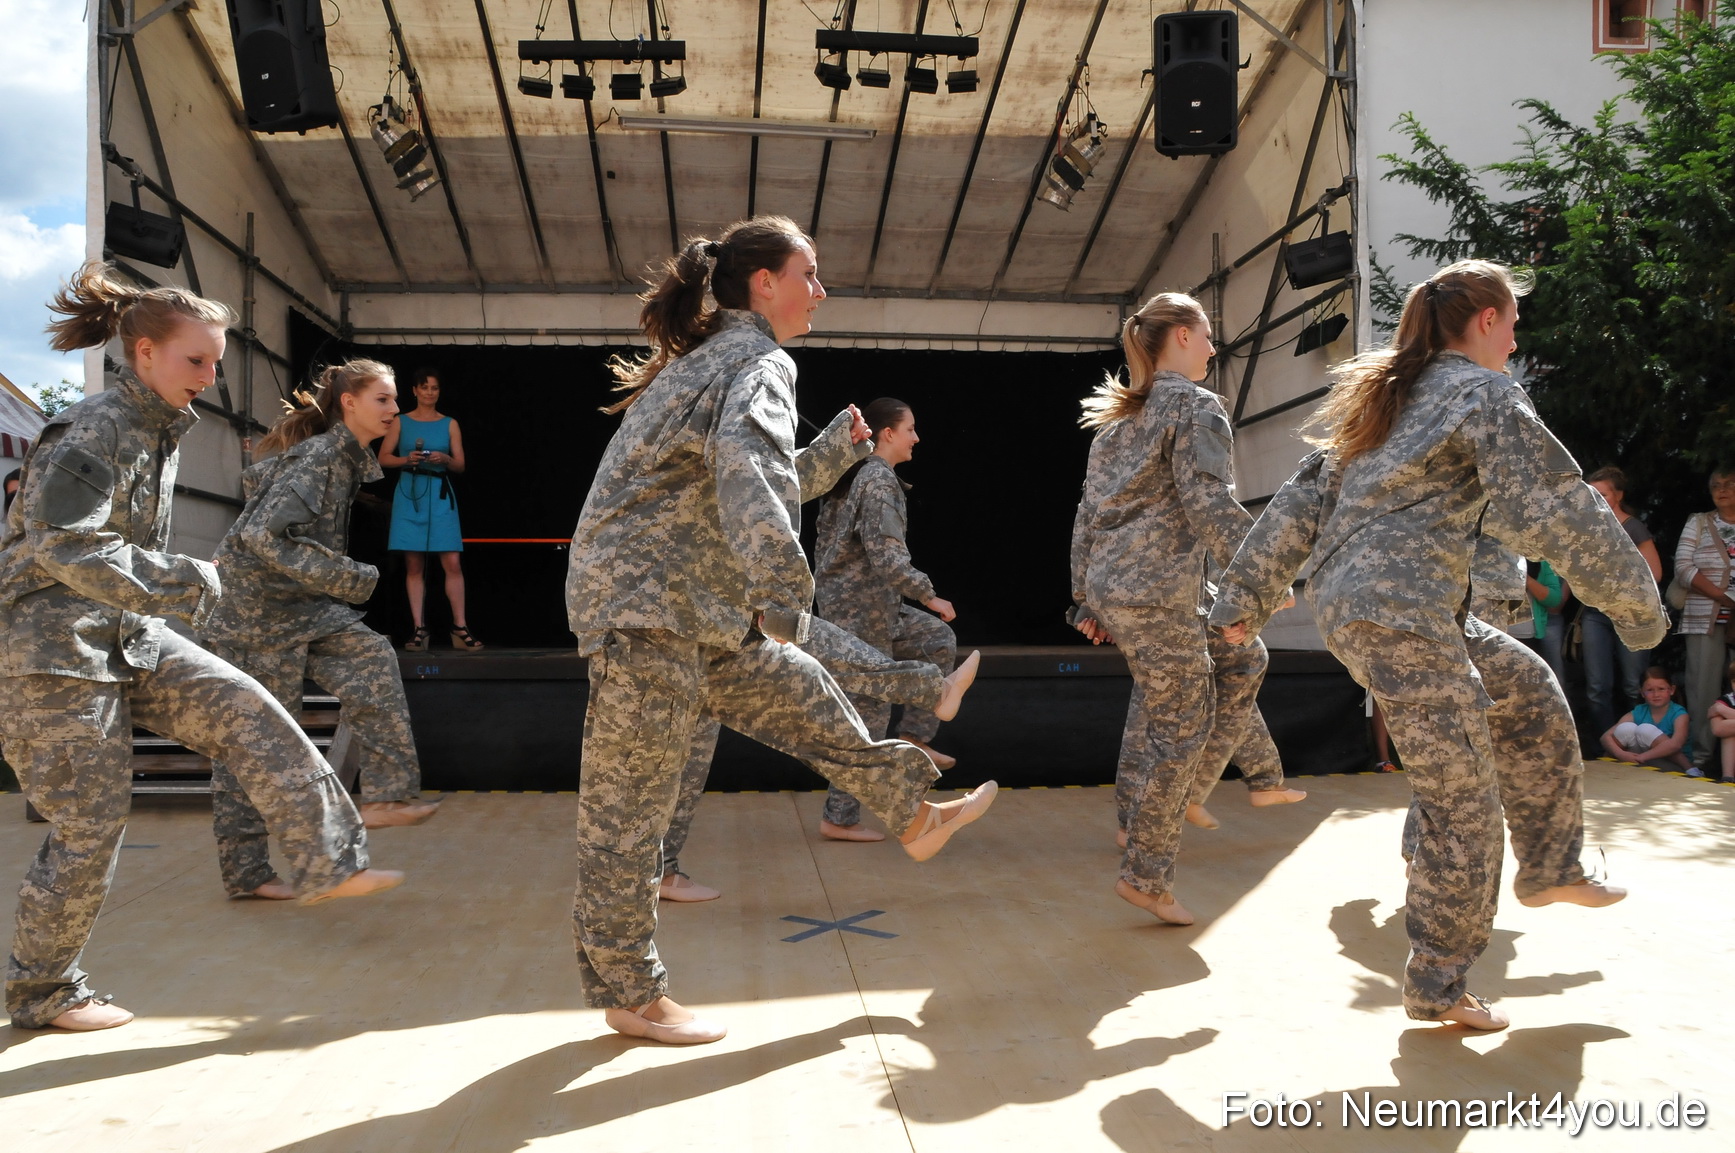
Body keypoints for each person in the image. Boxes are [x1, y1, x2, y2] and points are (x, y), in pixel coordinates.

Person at [566, 216, 997, 1045]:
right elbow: (747, 468)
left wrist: (831, 455)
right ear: (764, 282)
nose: (821, 290)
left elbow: (738, 469)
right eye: (811, 273)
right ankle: (629, 990)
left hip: (695, 607)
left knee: (810, 697)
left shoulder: (710, 360)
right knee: (628, 811)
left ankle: (911, 812)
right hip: (651, 609)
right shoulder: (761, 358)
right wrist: (784, 593)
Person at [1210, 259, 1666, 1032]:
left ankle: (1551, 865)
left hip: (1381, 611)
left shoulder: (1388, 401)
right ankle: (1438, 982)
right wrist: (1638, 609)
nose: (1516, 339)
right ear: (1484, 320)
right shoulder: (1480, 392)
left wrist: (1239, 602)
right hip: (1404, 614)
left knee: (1527, 689)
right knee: (1463, 801)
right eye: (1511, 322)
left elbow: (1296, 503)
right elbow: (1557, 506)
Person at [0, 264, 402, 1032]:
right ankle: (42, 991)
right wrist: (179, 576)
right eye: (197, 360)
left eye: (217, 361)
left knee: (246, 706)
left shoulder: (158, 428)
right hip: (54, 652)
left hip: (128, 636)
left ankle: (327, 860)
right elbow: (60, 543)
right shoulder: (94, 428)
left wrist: (162, 593)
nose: (211, 377)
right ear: (144, 352)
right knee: (90, 822)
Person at [1069, 291, 1296, 929]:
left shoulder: (1119, 422)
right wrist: (1261, 576)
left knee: (1243, 656)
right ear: (1183, 337)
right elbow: (1209, 505)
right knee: (1179, 725)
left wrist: (1085, 597)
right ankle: (1146, 873)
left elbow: (1087, 517)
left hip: (1125, 587)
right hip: (1159, 591)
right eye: (1207, 334)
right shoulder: (1196, 407)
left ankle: (1187, 795)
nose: (1214, 346)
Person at [200, 359, 440, 901]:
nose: (395, 409)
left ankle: (384, 797)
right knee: (257, 745)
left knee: (373, 659)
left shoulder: (344, 459)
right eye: (383, 399)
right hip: (254, 614)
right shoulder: (320, 456)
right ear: (349, 403)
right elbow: (264, 536)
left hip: (302, 604)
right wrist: (349, 576)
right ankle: (248, 871)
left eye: (394, 399)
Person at [661, 618, 980, 901]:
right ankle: (931, 701)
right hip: (683, 632)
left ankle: (659, 872)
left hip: (676, 635)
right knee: (811, 689)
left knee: (678, 764)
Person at [813, 397, 961, 841]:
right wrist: (929, 595)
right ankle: (839, 817)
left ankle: (915, 738)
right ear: (887, 434)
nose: (917, 437)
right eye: (910, 429)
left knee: (937, 641)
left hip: (873, 607)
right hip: (860, 613)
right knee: (869, 714)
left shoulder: (857, 474)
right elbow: (885, 555)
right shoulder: (876, 479)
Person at [379, 367, 479, 652]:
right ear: (414, 390)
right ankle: (419, 629)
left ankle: (460, 628)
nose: (430, 392)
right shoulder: (401, 421)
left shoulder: (449, 423)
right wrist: (406, 459)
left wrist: (445, 458)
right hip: (410, 494)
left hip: (440, 493)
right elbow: (383, 458)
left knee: (452, 563)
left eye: (434, 388)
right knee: (414, 565)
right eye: (424, 387)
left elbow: (460, 465)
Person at [1580, 466, 1662, 733]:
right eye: (1592, 494)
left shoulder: (1633, 527)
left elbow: (1655, 574)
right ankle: (1607, 745)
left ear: (1619, 495)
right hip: (1595, 613)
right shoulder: (1587, 529)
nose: (1596, 499)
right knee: (1596, 685)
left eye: (1603, 494)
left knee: (1632, 683)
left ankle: (1641, 739)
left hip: (1632, 615)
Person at [1672, 467, 1735, 773]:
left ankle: (1730, 763)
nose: (1722, 490)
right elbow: (1683, 568)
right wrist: (1722, 597)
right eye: (1716, 486)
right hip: (1704, 615)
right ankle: (1701, 759)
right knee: (1702, 688)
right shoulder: (1698, 522)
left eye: (1730, 485)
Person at [1600, 667, 1691, 771]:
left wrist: (1641, 757)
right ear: (1642, 693)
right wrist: (1621, 754)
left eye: (1661, 689)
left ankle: (1691, 770)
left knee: (1645, 730)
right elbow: (1605, 737)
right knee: (1624, 729)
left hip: (1672, 765)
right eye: (1650, 690)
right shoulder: (1639, 711)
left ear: (1671, 690)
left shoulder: (1679, 714)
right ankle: (1606, 767)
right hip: (1641, 761)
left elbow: (1676, 744)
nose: (1656, 695)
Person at [1705, 658, 1735, 782]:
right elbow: (1718, 729)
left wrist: (1722, 710)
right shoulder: (1726, 700)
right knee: (1729, 734)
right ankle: (1728, 777)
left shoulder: (1720, 707)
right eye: (1734, 681)